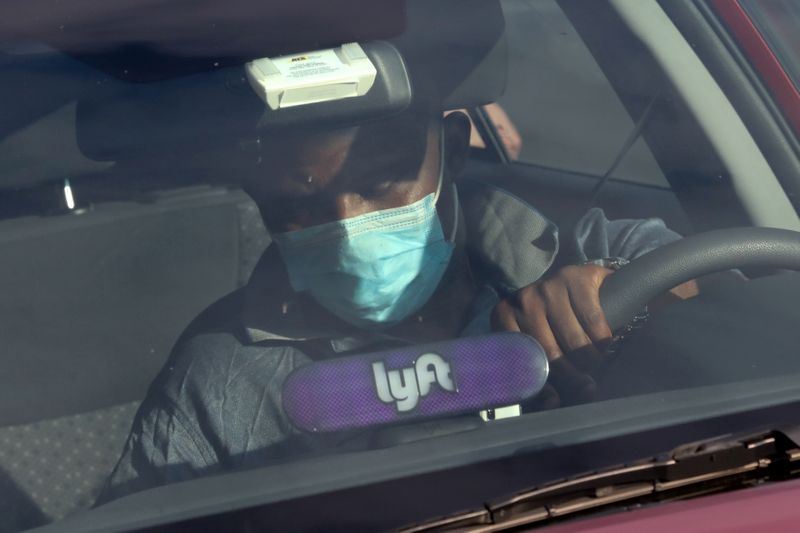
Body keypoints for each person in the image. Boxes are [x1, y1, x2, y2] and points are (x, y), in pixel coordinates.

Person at [96, 102, 692, 504]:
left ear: (453, 151)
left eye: (380, 184)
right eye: (297, 207)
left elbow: (741, 296)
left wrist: (622, 297)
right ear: (259, 202)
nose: (350, 230)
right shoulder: (220, 375)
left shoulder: (580, 250)